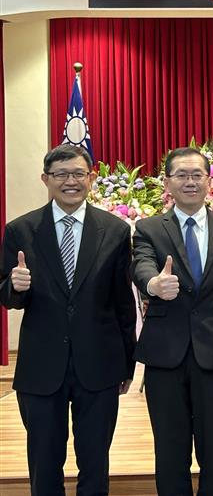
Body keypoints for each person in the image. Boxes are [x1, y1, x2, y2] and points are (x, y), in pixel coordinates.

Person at [0, 144, 136, 496]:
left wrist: (127, 364)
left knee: (95, 463)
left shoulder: (116, 230)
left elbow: (123, 303)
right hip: (41, 367)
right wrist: (14, 288)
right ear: (46, 179)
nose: (70, 181)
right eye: (61, 174)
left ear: (91, 178)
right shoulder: (20, 230)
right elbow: (8, 294)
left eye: (78, 174)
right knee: (43, 463)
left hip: (100, 365)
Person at [132, 146, 213, 495]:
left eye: (197, 175)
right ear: (167, 182)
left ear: (209, 181)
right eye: (181, 175)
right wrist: (153, 283)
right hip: (165, 355)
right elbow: (140, 264)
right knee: (170, 452)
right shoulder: (149, 228)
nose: (190, 182)